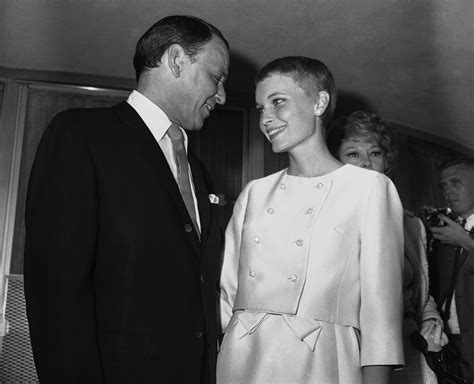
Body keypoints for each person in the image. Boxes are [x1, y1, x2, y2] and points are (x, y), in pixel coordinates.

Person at [24, 15, 229, 384]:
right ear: (177, 60)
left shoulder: (198, 172)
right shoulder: (80, 136)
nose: (222, 95)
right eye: (216, 77)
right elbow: (55, 293)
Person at [217, 57, 404, 384]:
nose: (266, 119)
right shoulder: (254, 193)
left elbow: (381, 316)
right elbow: (227, 296)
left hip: (322, 362)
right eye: (261, 109)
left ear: (319, 102)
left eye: (278, 102)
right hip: (243, 360)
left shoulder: (369, 188)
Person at [327, 111, 448, 383]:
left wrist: (430, 320)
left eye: (375, 153)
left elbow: (419, 293)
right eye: (353, 154)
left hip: (407, 350)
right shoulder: (323, 218)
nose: (367, 163)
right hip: (346, 353)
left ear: (387, 163)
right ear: (336, 161)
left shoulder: (411, 224)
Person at [429, 157, 474, 382]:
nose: (447, 191)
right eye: (443, 186)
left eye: (455, 183)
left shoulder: (458, 235)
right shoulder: (443, 235)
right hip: (449, 344)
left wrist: (466, 241)